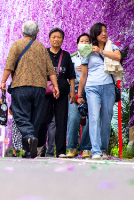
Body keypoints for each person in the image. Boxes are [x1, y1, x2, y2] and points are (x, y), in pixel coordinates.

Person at [0, 20, 59, 159]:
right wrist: (55, 86)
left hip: (21, 86)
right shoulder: (42, 48)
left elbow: (9, 65)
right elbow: (50, 71)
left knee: (20, 115)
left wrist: (3, 81)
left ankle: (30, 137)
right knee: (35, 117)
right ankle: (27, 149)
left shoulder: (17, 45)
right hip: (39, 88)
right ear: (37, 34)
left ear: (22, 32)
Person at [77, 23, 121, 159]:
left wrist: (100, 51)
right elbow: (84, 75)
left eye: (105, 31)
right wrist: (79, 94)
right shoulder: (87, 50)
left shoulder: (111, 47)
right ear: (94, 34)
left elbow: (118, 56)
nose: (104, 33)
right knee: (94, 118)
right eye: (101, 31)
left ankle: (103, 149)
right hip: (92, 88)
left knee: (106, 118)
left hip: (108, 87)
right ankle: (95, 151)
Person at [36, 28, 76, 157]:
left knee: (61, 121)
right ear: (49, 39)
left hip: (63, 92)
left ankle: (60, 151)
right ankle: (40, 146)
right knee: (42, 120)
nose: (56, 39)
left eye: (59, 37)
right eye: (54, 37)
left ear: (63, 40)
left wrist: (72, 92)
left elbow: (71, 75)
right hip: (46, 92)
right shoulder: (43, 53)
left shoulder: (66, 55)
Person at [61, 33, 92, 158]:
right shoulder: (71, 59)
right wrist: (72, 92)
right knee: (73, 118)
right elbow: (67, 77)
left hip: (90, 90)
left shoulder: (93, 58)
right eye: (82, 41)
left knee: (88, 120)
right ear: (77, 44)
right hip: (74, 90)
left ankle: (86, 148)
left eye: (87, 41)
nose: (84, 43)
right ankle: (72, 147)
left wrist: (86, 70)